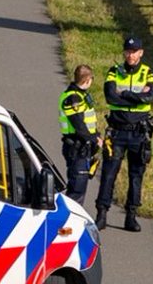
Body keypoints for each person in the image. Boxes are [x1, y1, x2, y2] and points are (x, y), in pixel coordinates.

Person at [95, 36, 153, 232]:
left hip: (139, 134)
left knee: (136, 175)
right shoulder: (114, 72)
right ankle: (102, 214)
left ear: (141, 53)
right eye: (128, 52)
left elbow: (148, 96)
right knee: (108, 174)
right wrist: (135, 99)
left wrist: (125, 96)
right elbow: (110, 96)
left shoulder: (149, 74)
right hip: (117, 132)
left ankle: (131, 216)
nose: (130, 55)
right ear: (124, 52)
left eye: (134, 52)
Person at [59, 65, 102, 205]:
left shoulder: (80, 95)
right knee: (76, 188)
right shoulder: (73, 98)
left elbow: (88, 122)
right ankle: (70, 221)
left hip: (82, 147)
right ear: (88, 79)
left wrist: (96, 135)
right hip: (76, 147)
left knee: (80, 186)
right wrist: (94, 139)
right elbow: (79, 125)